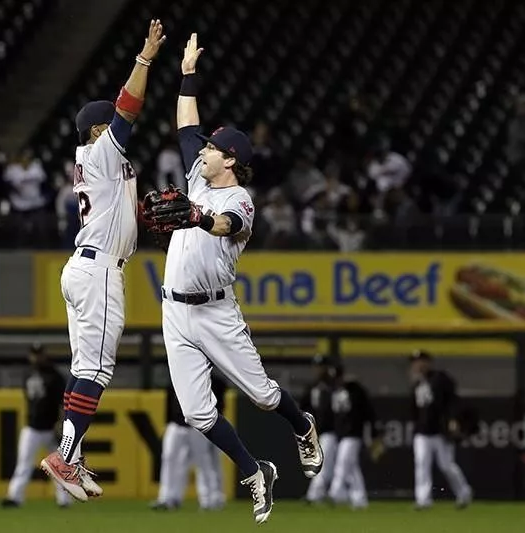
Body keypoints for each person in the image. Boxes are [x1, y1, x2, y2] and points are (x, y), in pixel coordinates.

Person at [149, 33, 323, 525]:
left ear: (229, 159)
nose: (201, 152)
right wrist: (187, 73)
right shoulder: (198, 179)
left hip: (214, 311)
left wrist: (197, 218)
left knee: (264, 396)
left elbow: (227, 226)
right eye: (205, 148)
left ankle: (302, 425)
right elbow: (186, 124)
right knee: (197, 414)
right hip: (175, 309)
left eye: (211, 149)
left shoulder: (238, 198)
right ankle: (255, 471)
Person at [40, 19, 167, 502]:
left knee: (82, 369)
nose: (114, 125)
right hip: (99, 270)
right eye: (107, 122)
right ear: (96, 129)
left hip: (85, 266)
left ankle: (72, 452)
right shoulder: (99, 152)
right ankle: (65, 456)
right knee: (96, 371)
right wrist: (145, 59)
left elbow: (124, 212)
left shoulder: (103, 166)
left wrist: (145, 215)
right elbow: (128, 110)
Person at [2, 344, 71, 508]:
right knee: (24, 463)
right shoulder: (28, 373)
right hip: (32, 427)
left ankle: (64, 500)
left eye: (39, 354)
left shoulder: (54, 375)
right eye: (34, 354)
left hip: (50, 426)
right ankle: (15, 497)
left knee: (59, 465)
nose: (37, 357)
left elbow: (64, 403)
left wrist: (61, 425)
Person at [151, 374, 228, 511]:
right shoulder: (177, 376)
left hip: (198, 426)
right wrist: (167, 421)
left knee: (203, 462)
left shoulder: (212, 381)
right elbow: (169, 401)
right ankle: (167, 498)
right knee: (169, 458)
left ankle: (208, 500)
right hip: (176, 424)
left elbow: (220, 404)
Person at [409, 349, 473, 510]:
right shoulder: (417, 382)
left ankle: (464, 493)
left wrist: (453, 420)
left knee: (446, 465)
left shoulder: (440, 378)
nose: (418, 364)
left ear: (428, 362)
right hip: (422, 432)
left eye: (421, 361)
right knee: (421, 463)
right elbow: (415, 409)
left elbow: (453, 401)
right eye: (415, 361)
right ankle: (423, 500)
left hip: (440, 431)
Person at [327, 363, 380, 510]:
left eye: (337, 377)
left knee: (343, 462)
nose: (336, 380)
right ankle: (360, 499)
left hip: (353, 433)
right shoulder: (334, 391)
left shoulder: (355, 390)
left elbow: (368, 411)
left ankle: (335, 492)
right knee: (352, 468)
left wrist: (373, 432)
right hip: (341, 434)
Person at [301, 355, 337, 505]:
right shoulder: (312, 387)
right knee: (326, 465)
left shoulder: (334, 386)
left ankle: (314, 495)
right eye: (316, 367)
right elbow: (304, 409)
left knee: (323, 464)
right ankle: (326, 494)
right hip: (316, 432)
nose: (318, 369)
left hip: (331, 431)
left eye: (321, 366)